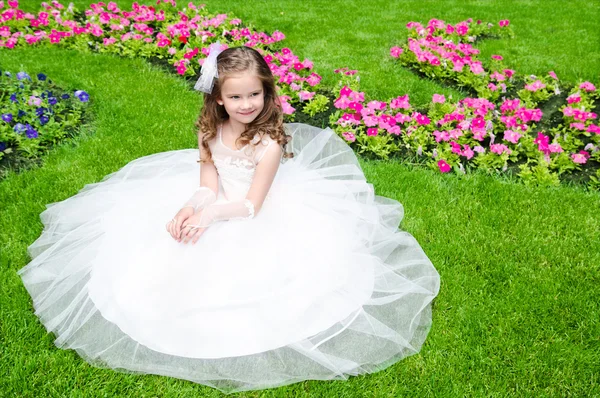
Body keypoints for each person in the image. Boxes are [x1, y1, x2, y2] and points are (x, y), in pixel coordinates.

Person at [18, 44, 441, 393]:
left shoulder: (269, 144)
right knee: (162, 255)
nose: (246, 104)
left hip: (252, 212)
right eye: (235, 97)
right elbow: (207, 181)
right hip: (219, 201)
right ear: (218, 98)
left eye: (254, 95)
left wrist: (211, 216)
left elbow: (252, 205)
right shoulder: (208, 131)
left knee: (241, 269)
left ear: (267, 94)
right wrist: (191, 206)